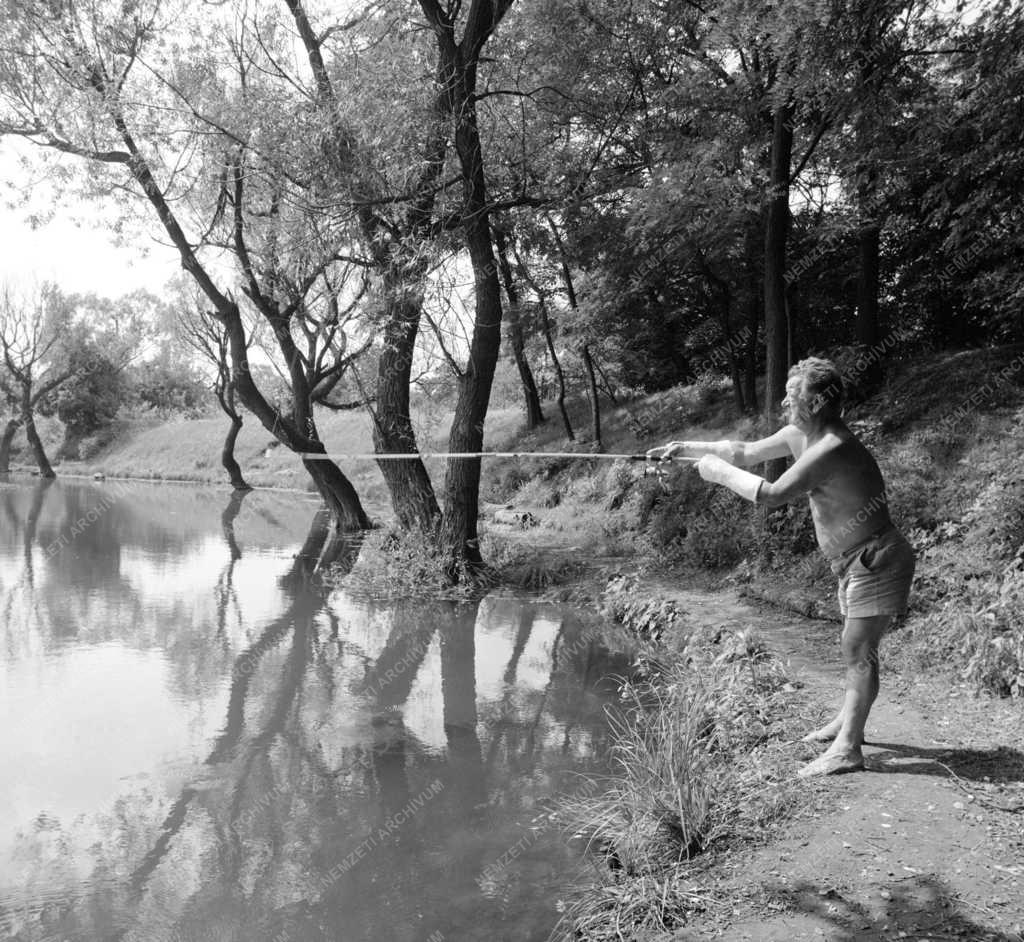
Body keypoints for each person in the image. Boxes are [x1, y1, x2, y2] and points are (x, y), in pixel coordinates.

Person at [647, 357, 915, 778]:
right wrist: (685, 449)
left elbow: (771, 494)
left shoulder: (832, 447)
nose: (785, 402)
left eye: (794, 396)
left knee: (858, 649)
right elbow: (745, 452)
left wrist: (716, 473)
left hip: (876, 559)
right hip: (851, 562)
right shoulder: (800, 435)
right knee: (858, 648)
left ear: (818, 402)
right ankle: (848, 724)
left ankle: (848, 748)